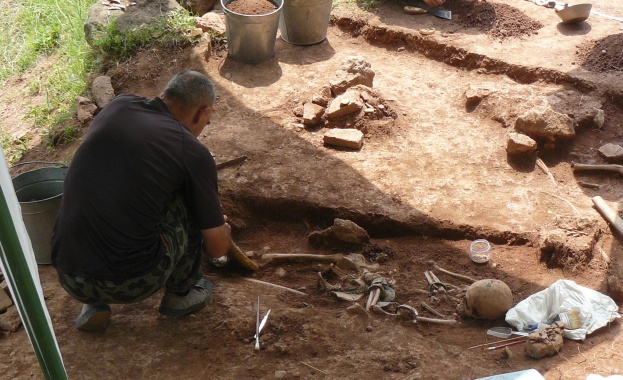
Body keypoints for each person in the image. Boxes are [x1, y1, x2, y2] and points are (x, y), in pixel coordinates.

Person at [51, 70, 231, 331]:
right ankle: (181, 295)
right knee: (187, 199)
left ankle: (92, 303)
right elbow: (217, 249)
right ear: (202, 113)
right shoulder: (191, 150)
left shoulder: (118, 105)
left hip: (68, 274)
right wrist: (222, 230)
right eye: (208, 121)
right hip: (131, 280)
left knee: (107, 184)